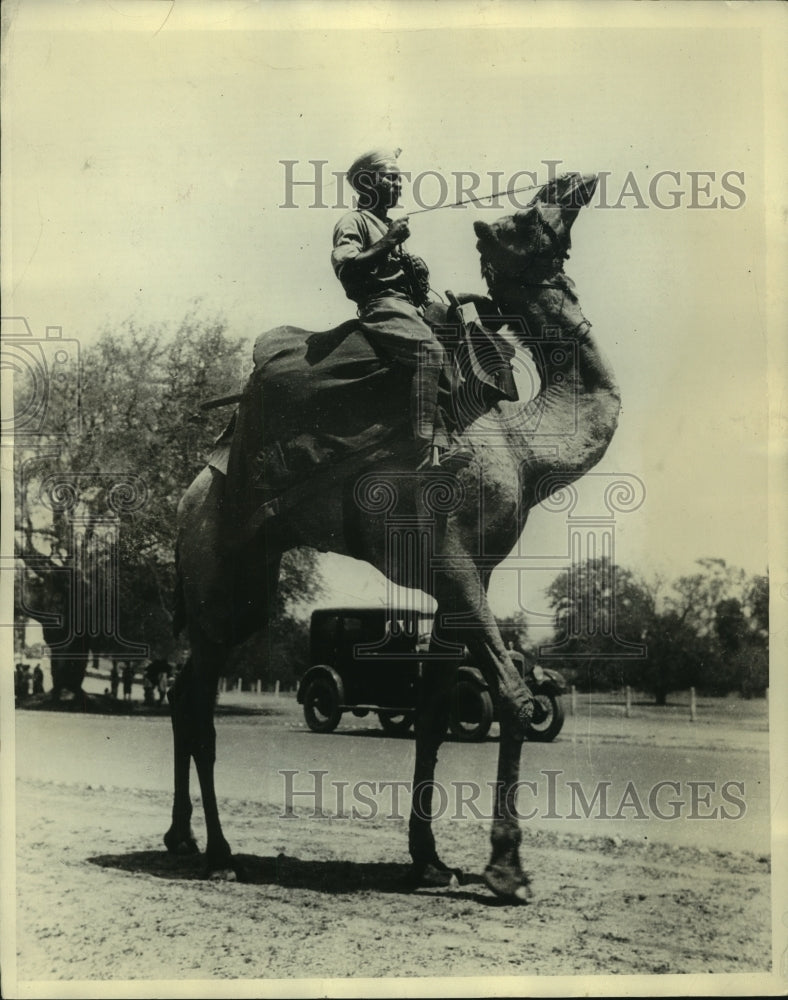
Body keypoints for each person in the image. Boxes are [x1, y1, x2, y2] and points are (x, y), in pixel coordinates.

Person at [331, 148, 473, 469]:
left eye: (399, 180)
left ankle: (445, 440)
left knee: (456, 341)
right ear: (368, 183)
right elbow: (347, 268)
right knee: (430, 353)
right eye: (391, 179)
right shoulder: (353, 221)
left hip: (409, 306)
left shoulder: (384, 224)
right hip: (383, 307)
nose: (399, 186)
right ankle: (425, 449)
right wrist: (388, 242)